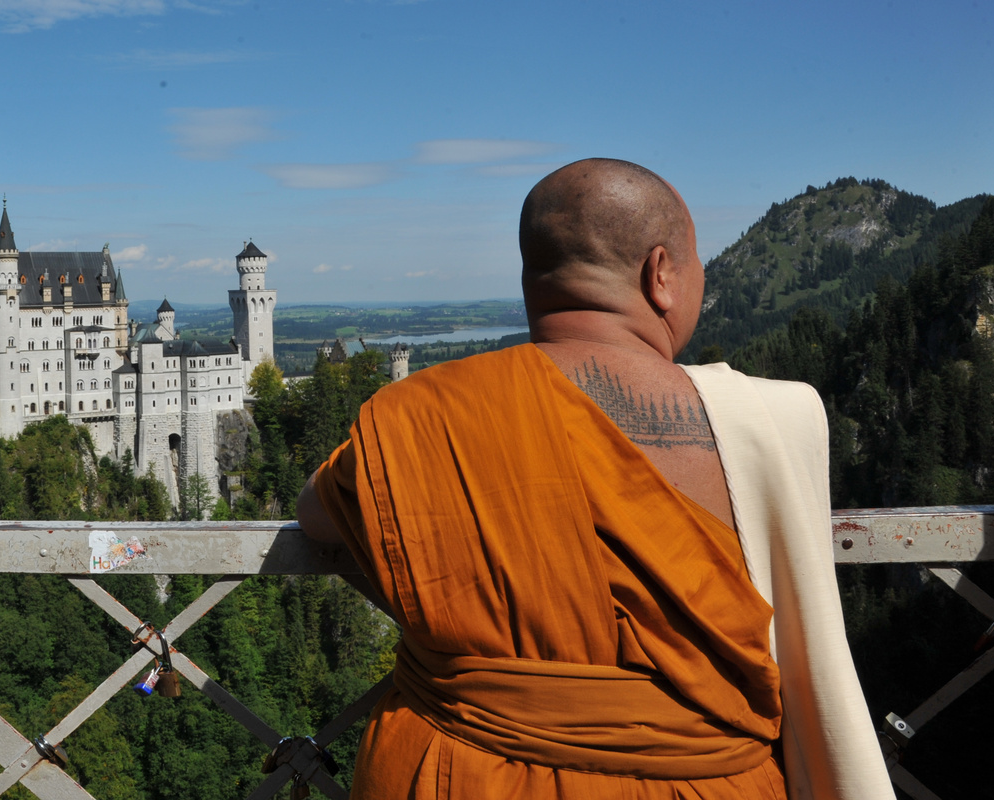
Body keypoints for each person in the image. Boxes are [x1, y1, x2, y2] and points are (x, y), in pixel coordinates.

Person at [296, 159, 892, 799]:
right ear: (660, 274)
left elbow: (318, 514)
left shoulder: (423, 413)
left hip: (454, 773)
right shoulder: (776, 417)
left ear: (533, 278)